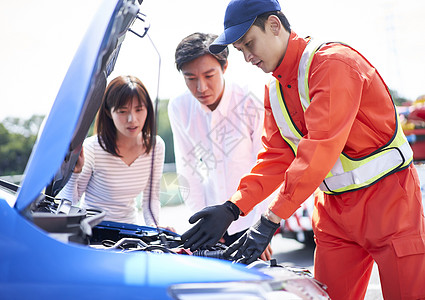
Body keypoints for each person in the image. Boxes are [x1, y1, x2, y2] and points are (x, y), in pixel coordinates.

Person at [181, 1, 425, 299]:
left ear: (274, 25)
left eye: (249, 44)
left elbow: (318, 151)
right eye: (240, 50)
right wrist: (233, 207)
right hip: (335, 214)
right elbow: (275, 157)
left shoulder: (333, 63)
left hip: (391, 206)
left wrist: (270, 218)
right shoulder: (274, 90)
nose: (246, 57)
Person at [169, 32, 273, 254]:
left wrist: (261, 227)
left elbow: (266, 165)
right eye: (191, 78)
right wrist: (200, 220)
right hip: (209, 219)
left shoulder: (250, 101)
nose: (201, 88)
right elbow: (187, 169)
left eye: (209, 75)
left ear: (224, 68)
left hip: (249, 219)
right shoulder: (178, 107)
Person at [59, 75, 165, 226]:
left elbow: (151, 200)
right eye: (122, 111)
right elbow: (71, 201)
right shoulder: (92, 148)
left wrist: (157, 232)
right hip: (93, 231)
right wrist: (75, 172)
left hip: (130, 232)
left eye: (139, 109)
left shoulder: (156, 146)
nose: (132, 119)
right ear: (109, 112)